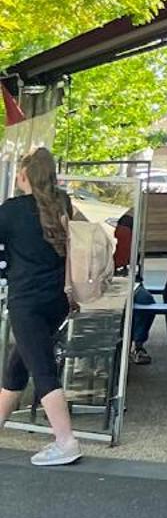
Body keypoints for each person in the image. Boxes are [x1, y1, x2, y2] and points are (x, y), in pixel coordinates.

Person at [0, 147, 81, 466]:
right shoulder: (63, 203)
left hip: (27, 301)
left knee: (42, 369)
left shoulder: (12, 210)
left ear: (23, 176)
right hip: (56, 300)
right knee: (18, 367)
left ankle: (66, 441)